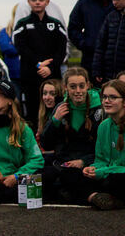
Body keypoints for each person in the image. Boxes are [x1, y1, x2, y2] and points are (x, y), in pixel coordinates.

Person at [39, 67, 103, 200]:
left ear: (88, 86)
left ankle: (92, 196)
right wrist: (54, 121)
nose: (78, 91)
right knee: (41, 174)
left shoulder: (100, 110)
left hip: (90, 163)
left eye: (81, 86)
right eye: (73, 87)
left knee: (70, 177)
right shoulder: (61, 107)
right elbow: (46, 144)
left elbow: (103, 148)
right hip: (64, 162)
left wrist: (83, 161)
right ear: (65, 87)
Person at [12, 0, 68, 124]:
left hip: (52, 77)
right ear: (29, 2)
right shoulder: (22, 24)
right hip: (30, 78)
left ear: (47, 2)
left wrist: (51, 67)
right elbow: (20, 47)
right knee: (31, 113)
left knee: (54, 112)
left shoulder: (55, 25)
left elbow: (61, 50)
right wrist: (37, 63)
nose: (37, 2)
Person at [80, 80, 125, 210]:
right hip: (108, 175)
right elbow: (100, 160)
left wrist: (103, 171)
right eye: (104, 97)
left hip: (119, 176)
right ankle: (97, 197)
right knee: (72, 174)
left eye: (113, 97)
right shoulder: (103, 126)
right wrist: (93, 169)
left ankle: (92, 196)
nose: (106, 101)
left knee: (118, 179)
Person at [69, 0, 116, 83]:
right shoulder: (83, 3)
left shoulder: (119, 3)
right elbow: (73, 29)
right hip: (91, 60)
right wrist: (87, 44)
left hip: (116, 59)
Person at [92, 0, 125, 84]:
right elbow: (100, 45)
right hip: (109, 74)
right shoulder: (110, 17)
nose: (114, 2)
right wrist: (97, 69)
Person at [36, 79, 64, 152]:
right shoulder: (44, 114)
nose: (47, 98)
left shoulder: (64, 115)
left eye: (52, 94)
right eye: (44, 93)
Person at [0, 26, 22, 99]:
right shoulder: (5, 31)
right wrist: (24, 48)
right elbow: (7, 48)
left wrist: (14, 45)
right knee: (14, 99)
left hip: (30, 74)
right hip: (13, 75)